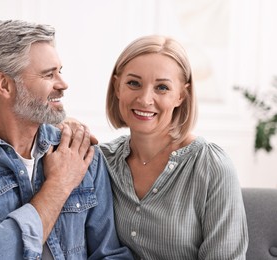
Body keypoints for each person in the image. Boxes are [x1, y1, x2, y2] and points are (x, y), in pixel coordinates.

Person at [0, 20, 133, 260]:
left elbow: (109, 253)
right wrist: (59, 184)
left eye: (59, 71)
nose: (63, 84)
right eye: (48, 74)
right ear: (4, 85)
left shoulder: (79, 152)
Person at [64, 35, 248, 259]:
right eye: (134, 83)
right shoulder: (102, 162)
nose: (145, 99)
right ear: (117, 87)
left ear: (181, 95)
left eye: (162, 87)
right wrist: (61, 126)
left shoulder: (211, 166)